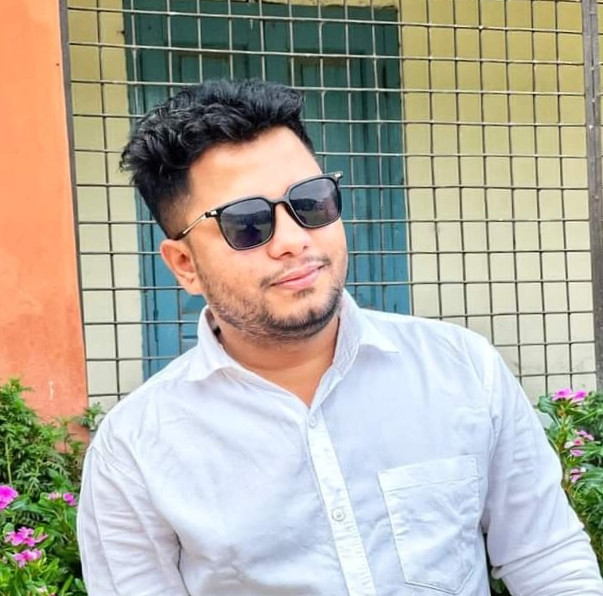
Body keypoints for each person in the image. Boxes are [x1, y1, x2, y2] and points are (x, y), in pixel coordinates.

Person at [77, 79, 603, 596]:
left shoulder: (462, 369)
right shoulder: (136, 451)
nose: (293, 240)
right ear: (185, 265)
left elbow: (548, 561)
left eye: (310, 201)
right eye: (246, 223)